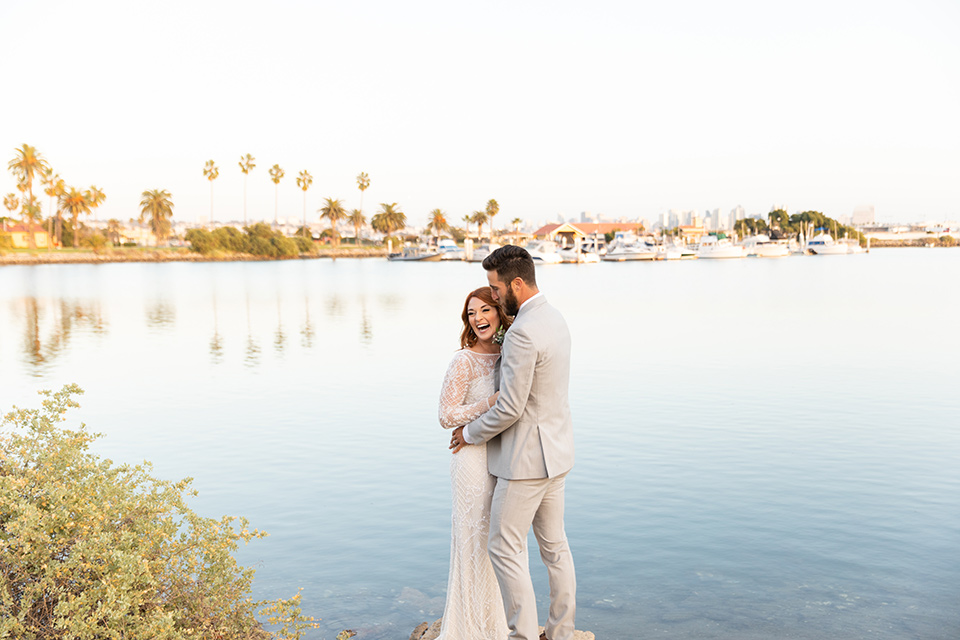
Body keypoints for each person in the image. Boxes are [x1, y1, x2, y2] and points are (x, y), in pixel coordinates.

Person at [449, 245, 576, 640]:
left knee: (504, 548)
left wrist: (468, 434)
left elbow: (510, 409)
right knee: (555, 548)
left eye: (496, 287)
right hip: (558, 453)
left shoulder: (521, 332)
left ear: (516, 284)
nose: (495, 296)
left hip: (525, 461)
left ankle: (521, 635)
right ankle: (561, 633)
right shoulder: (555, 318)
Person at [436, 286, 513, 639]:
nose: (478, 318)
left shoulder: (509, 353)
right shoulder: (463, 360)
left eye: (485, 310)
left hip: (502, 458)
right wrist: (491, 401)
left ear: (499, 312)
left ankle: (494, 624)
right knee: (471, 539)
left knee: (495, 541)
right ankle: (466, 628)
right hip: (470, 461)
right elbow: (446, 416)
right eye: (471, 313)